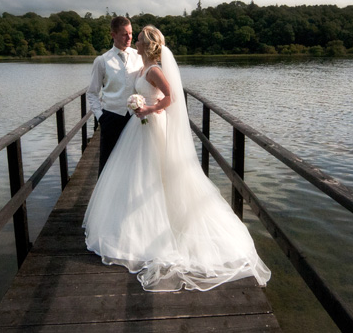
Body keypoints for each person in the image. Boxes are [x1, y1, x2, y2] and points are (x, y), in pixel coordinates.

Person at [83, 25, 271, 292]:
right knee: (136, 175)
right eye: (129, 35)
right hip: (134, 126)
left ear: (146, 45)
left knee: (153, 174)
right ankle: (131, 223)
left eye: (136, 38)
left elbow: (170, 96)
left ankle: (160, 227)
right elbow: (124, 85)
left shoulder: (153, 69)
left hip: (150, 124)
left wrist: (148, 106)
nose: (133, 40)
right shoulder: (134, 65)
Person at [87, 16, 144, 174]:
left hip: (135, 118)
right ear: (113, 35)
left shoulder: (139, 56)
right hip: (111, 118)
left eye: (131, 33)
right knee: (107, 165)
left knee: (134, 164)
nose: (129, 38)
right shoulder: (102, 61)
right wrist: (101, 116)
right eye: (124, 34)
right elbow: (92, 92)